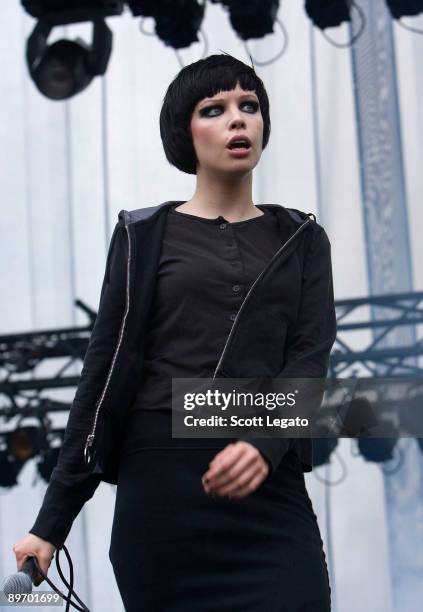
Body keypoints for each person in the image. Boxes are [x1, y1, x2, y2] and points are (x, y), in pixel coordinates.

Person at [13, 53, 337, 611]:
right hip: (162, 505)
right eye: (215, 108)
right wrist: (51, 522)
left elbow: (310, 357)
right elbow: (105, 376)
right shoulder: (143, 234)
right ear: (184, 132)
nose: (239, 119)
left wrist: (264, 443)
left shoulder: (303, 238)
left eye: (250, 106)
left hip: (272, 500)